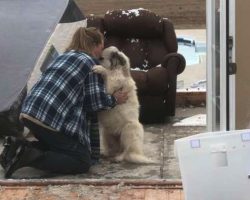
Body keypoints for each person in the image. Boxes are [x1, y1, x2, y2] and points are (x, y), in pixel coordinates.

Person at [0, 27, 128, 178]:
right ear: (94, 44)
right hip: (49, 117)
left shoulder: (64, 56)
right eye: (102, 44)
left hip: (30, 110)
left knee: (60, 147)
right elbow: (94, 103)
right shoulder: (91, 64)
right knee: (81, 160)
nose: (102, 49)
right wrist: (114, 99)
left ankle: (15, 148)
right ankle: (25, 155)